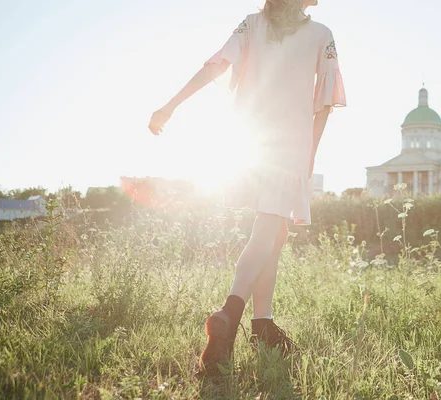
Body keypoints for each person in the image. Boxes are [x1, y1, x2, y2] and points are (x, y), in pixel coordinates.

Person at [148, 0, 346, 374]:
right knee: (269, 227)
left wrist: (170, 106)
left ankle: (262, 324)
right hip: (285, 144)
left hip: (249, 139)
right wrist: (311, 154)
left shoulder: (251, 25)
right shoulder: (322, 35)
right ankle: (230, 314)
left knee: (275, 231)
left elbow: (215, 66)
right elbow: (324, 104)